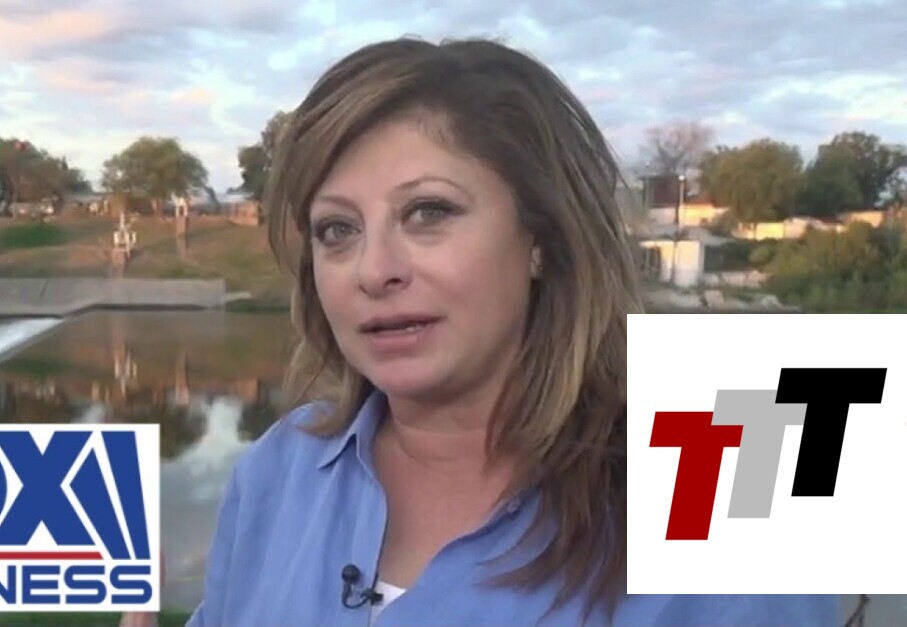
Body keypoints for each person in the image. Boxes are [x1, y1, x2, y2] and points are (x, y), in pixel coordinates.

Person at [122, 36, 842, 626]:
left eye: (428, 212)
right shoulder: (275, 469)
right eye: (336, 230)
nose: (374, 269)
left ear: (540, 236)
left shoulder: (736, 482)